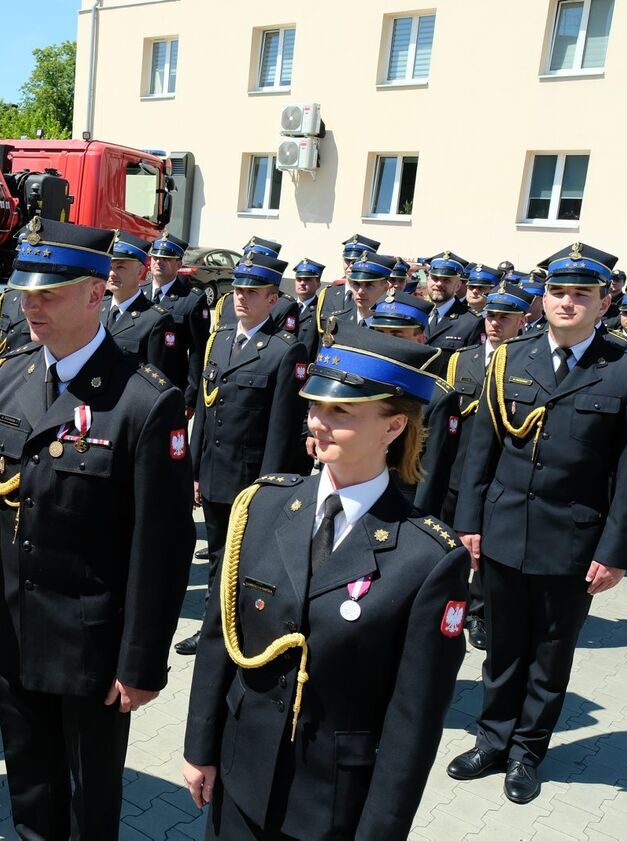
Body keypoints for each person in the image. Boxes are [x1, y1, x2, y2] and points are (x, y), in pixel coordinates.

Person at [0, 217, 195, 840]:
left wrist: (141, 662)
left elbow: (162, 549)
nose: (31, 308)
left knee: (90, 806)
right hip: (15, 632)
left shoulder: (143, 401)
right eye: (25, 294)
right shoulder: (8, 377)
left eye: (48, 294)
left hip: (93, 648)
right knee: (30, 792)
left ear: (95, 293)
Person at [182, 324, 469, 840]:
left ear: (393, 427)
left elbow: (414, 721)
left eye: (341, 412)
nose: (317, 422)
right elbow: (218, 638)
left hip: (332, 803)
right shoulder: (263, 506)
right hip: (240, 773)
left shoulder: (427, 558)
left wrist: (380, 830)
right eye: (315, 406)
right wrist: (201, 747)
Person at [449, 242, 627, 805]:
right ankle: (491, 740)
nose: (567, 303)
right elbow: (480, 451)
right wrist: (469, 521)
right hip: (503, 530)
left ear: (604, 301)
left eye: (581, 295)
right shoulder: (511, 358)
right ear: (543, 298)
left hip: (573, 540)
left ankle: (527, 752)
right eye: (558, 292)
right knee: (501, 648)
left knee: (550, 653)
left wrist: (615, 552)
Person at [175, 252, 309, 656]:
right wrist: (194, 472)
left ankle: (248, 632)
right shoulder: (219, 341)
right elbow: (205, 409)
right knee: (218, 558)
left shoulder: (285, 350)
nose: (241, 298)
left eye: (252, 292)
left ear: (272, 299)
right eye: (238, 290)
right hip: (215, 475)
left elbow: (281, 430)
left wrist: (266, 489)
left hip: (250, 480)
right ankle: (213, 630)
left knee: (248, 563)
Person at [443, 282, 534, 650]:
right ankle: (447, 602)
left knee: (483, 551)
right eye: (491, 315)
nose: (495, 323)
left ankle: (479, 612)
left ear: (522, 321)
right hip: (455, 469)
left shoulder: (524, 362)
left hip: (495, 475)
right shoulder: (459, 360)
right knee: (449, 543)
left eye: (504, 317)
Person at [365, 291, 462, 518]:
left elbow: (432, 474)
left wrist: (419, 521)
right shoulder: (359, 381)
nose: (386, 341)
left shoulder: (437, 396)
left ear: (420, 338)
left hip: (401, 504)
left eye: (397, 334)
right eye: (379, 332)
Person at [101, 231, 184, 382]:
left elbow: (160, 378)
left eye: (120, 267)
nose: (112, 273)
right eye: (109, 266)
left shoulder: (156, 320)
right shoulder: (97, 308)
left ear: (140, 271)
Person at [148, 230, 211, 414]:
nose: (159, 262)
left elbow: (197, 351)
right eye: (155, 257)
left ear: (178, 264)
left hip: (171, 387)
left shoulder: (191, 300)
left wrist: (190, 396)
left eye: (166, 259)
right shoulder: (139, 292)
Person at [423, 251, 484, 357]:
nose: (438, 284)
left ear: (458, 285)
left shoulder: (471, 322)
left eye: (446, 280)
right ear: (428, 280)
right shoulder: (416, 313)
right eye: (435, 278)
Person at [334, 251, 396, 329]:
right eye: (356, 284)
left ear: (385, 287)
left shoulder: (392, 327)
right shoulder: (338, 321)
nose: (360, 292)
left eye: (368, 285)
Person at [288, 258, 324, 358]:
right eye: (299, 279)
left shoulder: (320, 310)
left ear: (318, 284)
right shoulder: (286, 306)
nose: (302, 283)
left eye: (307, 279)